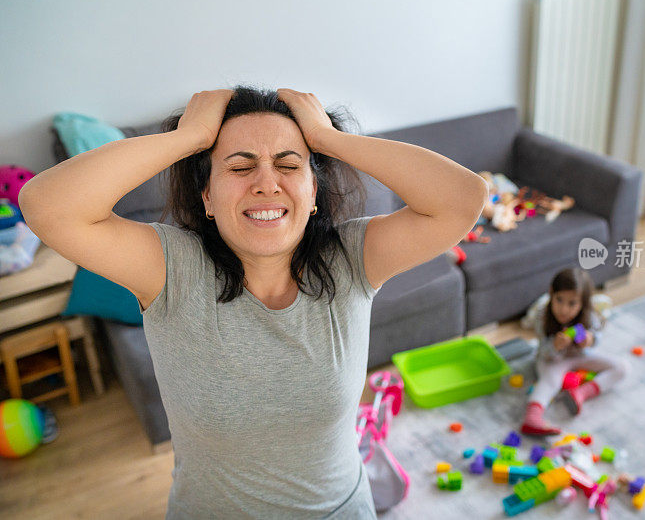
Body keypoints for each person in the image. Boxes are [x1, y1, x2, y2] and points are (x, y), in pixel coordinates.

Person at [18, 86, 488, 519]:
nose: (267, 183)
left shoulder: (351, 259)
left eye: (288, 165)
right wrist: (191, 137)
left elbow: (464, 198)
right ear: (207, 196)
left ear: (314, 192)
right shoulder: (170, 269)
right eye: (240, 167)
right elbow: (46, 206)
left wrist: (327, 137)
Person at [520, 267, 630, 436]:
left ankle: (580, 393)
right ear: (551, 293)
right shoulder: (543, 315)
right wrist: (555, 346)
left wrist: (590, 340)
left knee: (622, 367)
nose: (563, 310)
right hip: (552, 360)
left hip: (580, 356)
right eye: (559, 300)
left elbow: (596, 336)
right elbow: (542, 351)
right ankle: (532, 418)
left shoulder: (589, 315)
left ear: (583, 302)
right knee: (551, 382)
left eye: (572, 304)